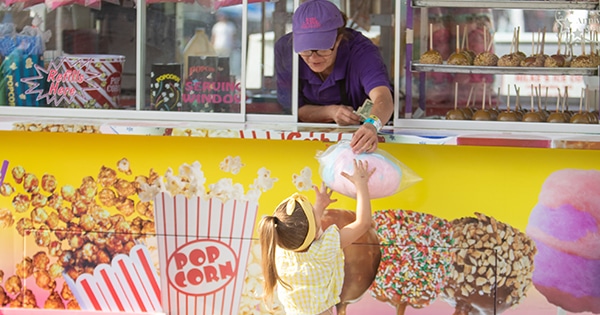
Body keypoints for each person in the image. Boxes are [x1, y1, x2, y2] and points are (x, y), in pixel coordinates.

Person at [275, 0, 394, 154]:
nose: (313, 57)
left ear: (338, 40)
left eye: (322, 49)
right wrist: (330, 112)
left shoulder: (362, 52)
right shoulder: (285, 49)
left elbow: (383, 97)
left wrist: (372, 124)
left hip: (358, 144)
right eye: (305, 50)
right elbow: (293, 110)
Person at [258, 159, 374, 315]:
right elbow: (363, 223)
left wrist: (319, 205)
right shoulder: (325, 249)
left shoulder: (281, 244)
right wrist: (361, 184)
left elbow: (306, 231)